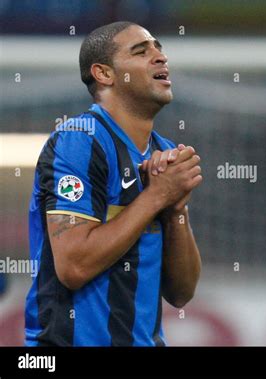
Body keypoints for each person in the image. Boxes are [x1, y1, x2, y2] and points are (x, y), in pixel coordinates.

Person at [25, 21, 202, 346]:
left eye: (159, 49)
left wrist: (177, 207)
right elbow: (74, 267)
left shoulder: (164, 153)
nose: (160, 57)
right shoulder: (78, 141)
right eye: (141, 51)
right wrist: (157, 195)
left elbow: (181, 292)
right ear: (104, 74)